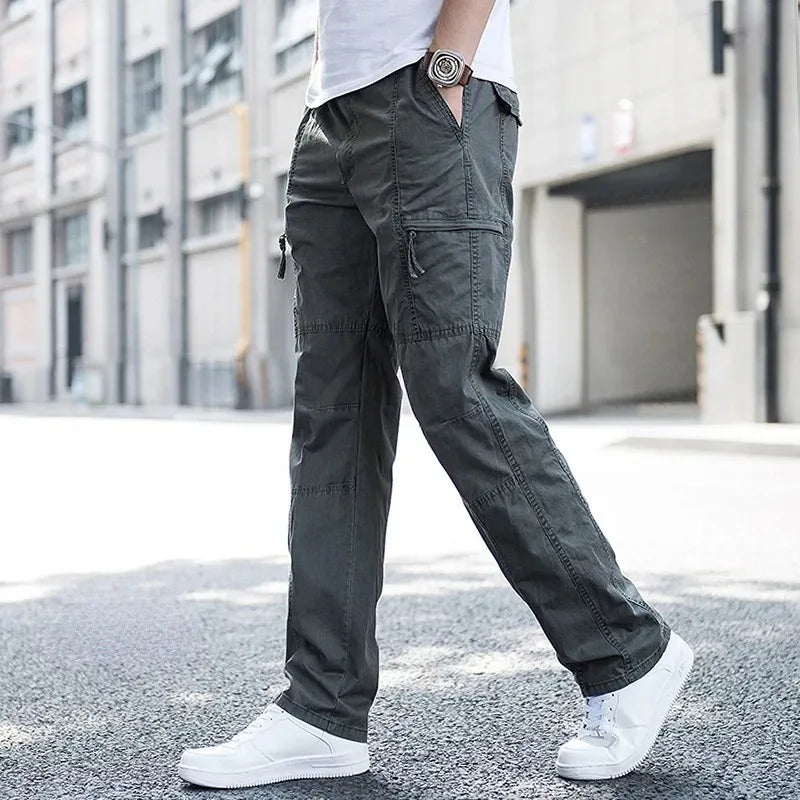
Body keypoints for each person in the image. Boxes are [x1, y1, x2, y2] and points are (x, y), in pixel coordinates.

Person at [177, 0, 693, 789]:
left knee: (455, 387)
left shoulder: (444, 82)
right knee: (333, 415)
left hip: (430, 93)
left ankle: (628, 655)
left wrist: (447, 69)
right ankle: (322, 709)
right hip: (331, 114)